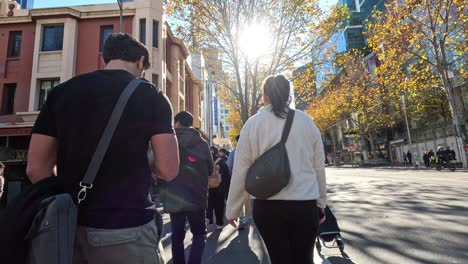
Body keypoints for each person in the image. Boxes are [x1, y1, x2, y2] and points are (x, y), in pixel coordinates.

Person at [26, 33, 179, 263]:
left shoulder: (61, 92)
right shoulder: (152, 95)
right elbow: (168, 169)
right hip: (128, 228)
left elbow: (36, 169)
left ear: (103, 59)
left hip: (67, 232)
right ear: (140, 62)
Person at [226, 75, 327, 264]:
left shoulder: (253, 124)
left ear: (265, 96)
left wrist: (233, 209)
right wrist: (321, 201)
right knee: (305, 259)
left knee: (279, 259)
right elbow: (318, 167)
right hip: (304, 205)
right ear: (289, 94)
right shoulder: (307, 122)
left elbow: (241, 170)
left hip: (268, 207)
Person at [159, 111, 213, 264]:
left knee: (176, 237)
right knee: (199, 235)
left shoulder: (169, 142)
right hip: (197, 196)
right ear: (190, 123)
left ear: (177, 123)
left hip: (174, 196)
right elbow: (210, 170)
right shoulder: (202, 143)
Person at [227, 135, 251, 230]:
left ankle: (241, 218)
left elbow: (229, 165)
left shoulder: (234, 152)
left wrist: (232, 176)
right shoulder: (250, 151)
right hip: (249, 179)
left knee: (238, 197)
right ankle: (248, 217)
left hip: (237, 178)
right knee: (247, 198)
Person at [207, 147, 230, 229]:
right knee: (219, 205)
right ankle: (219, 223)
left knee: (208, 204)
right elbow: (227, 176)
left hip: (207, 188)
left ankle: (208, 220)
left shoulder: (203, 160)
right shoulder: (221, 162)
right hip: (220, 187)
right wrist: (227, 192)